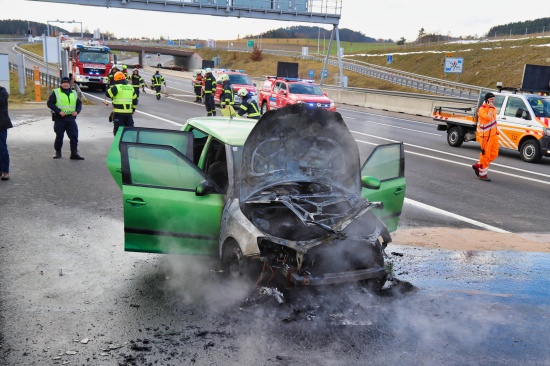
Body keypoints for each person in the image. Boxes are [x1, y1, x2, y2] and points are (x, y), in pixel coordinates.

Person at [47, 76, 84, 160]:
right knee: (59, 136)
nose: (65, 84)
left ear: (69, 84)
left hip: (71, 118)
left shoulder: (74, 93)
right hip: (60, 118)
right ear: (61, 84)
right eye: (64, 83)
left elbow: (79, 104)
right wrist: (59, 111)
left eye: (67, 83)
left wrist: (77, 111)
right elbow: (50, 103)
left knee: (74, 136)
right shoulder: (56, 92)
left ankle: (74, 153)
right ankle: (58, 152)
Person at [472, 92, 499, 182]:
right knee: (485, 155)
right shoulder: (482, 109)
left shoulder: (493, 108)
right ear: (486, 100)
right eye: (491, 99)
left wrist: (496, 130)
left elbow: (493, 120)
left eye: (493, 99)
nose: (492, 101)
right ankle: (483, 174)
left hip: (493, 135)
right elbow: (487, 117)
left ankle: (478, 165)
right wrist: (490, 108)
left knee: (494, 154)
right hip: (485, 136)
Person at [107, 71, 138, 136]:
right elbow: (135, 100)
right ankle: (130, 144)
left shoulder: (117, 87)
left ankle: (118, 145)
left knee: (118, 131)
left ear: (116, 80)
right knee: (130, 131)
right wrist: (133, 110)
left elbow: (108, 94)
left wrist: (108, 86)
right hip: (129, 114)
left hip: (119, 113)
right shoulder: (130, 87)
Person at [0, 84, 13, 180]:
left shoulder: (3, 92)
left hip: (1, 124)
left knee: (2, 148)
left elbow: (2, 102)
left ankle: (5, 171)